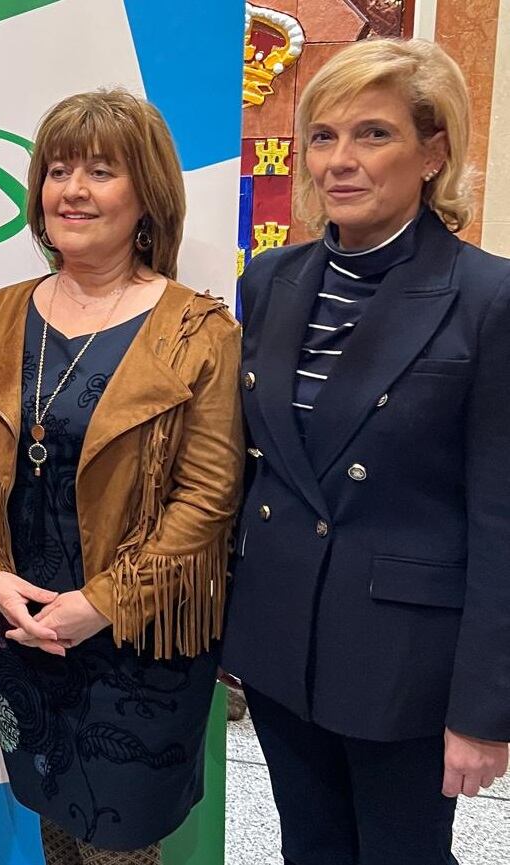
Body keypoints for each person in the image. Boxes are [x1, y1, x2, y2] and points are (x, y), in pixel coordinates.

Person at [223, 38, 510, 865]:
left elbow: (502, 521)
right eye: (323, 135)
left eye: (373, 135)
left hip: (404, 664)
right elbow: (258, 467)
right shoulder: (270, 281)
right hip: (282, 641)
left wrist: (484, 710)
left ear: (434, 152)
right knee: (309, 848)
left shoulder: (487, 300)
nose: (339, 161)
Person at [0, 89, 243, 865]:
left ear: (146, 195)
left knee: (118, 842)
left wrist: (98, 604)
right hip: (22, 623)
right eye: (58, 169)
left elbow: (208, 499)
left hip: (137, 639)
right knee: (52, 818)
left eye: (101, 171)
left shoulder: (196, 330)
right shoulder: (0, 314)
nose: (72, 189)